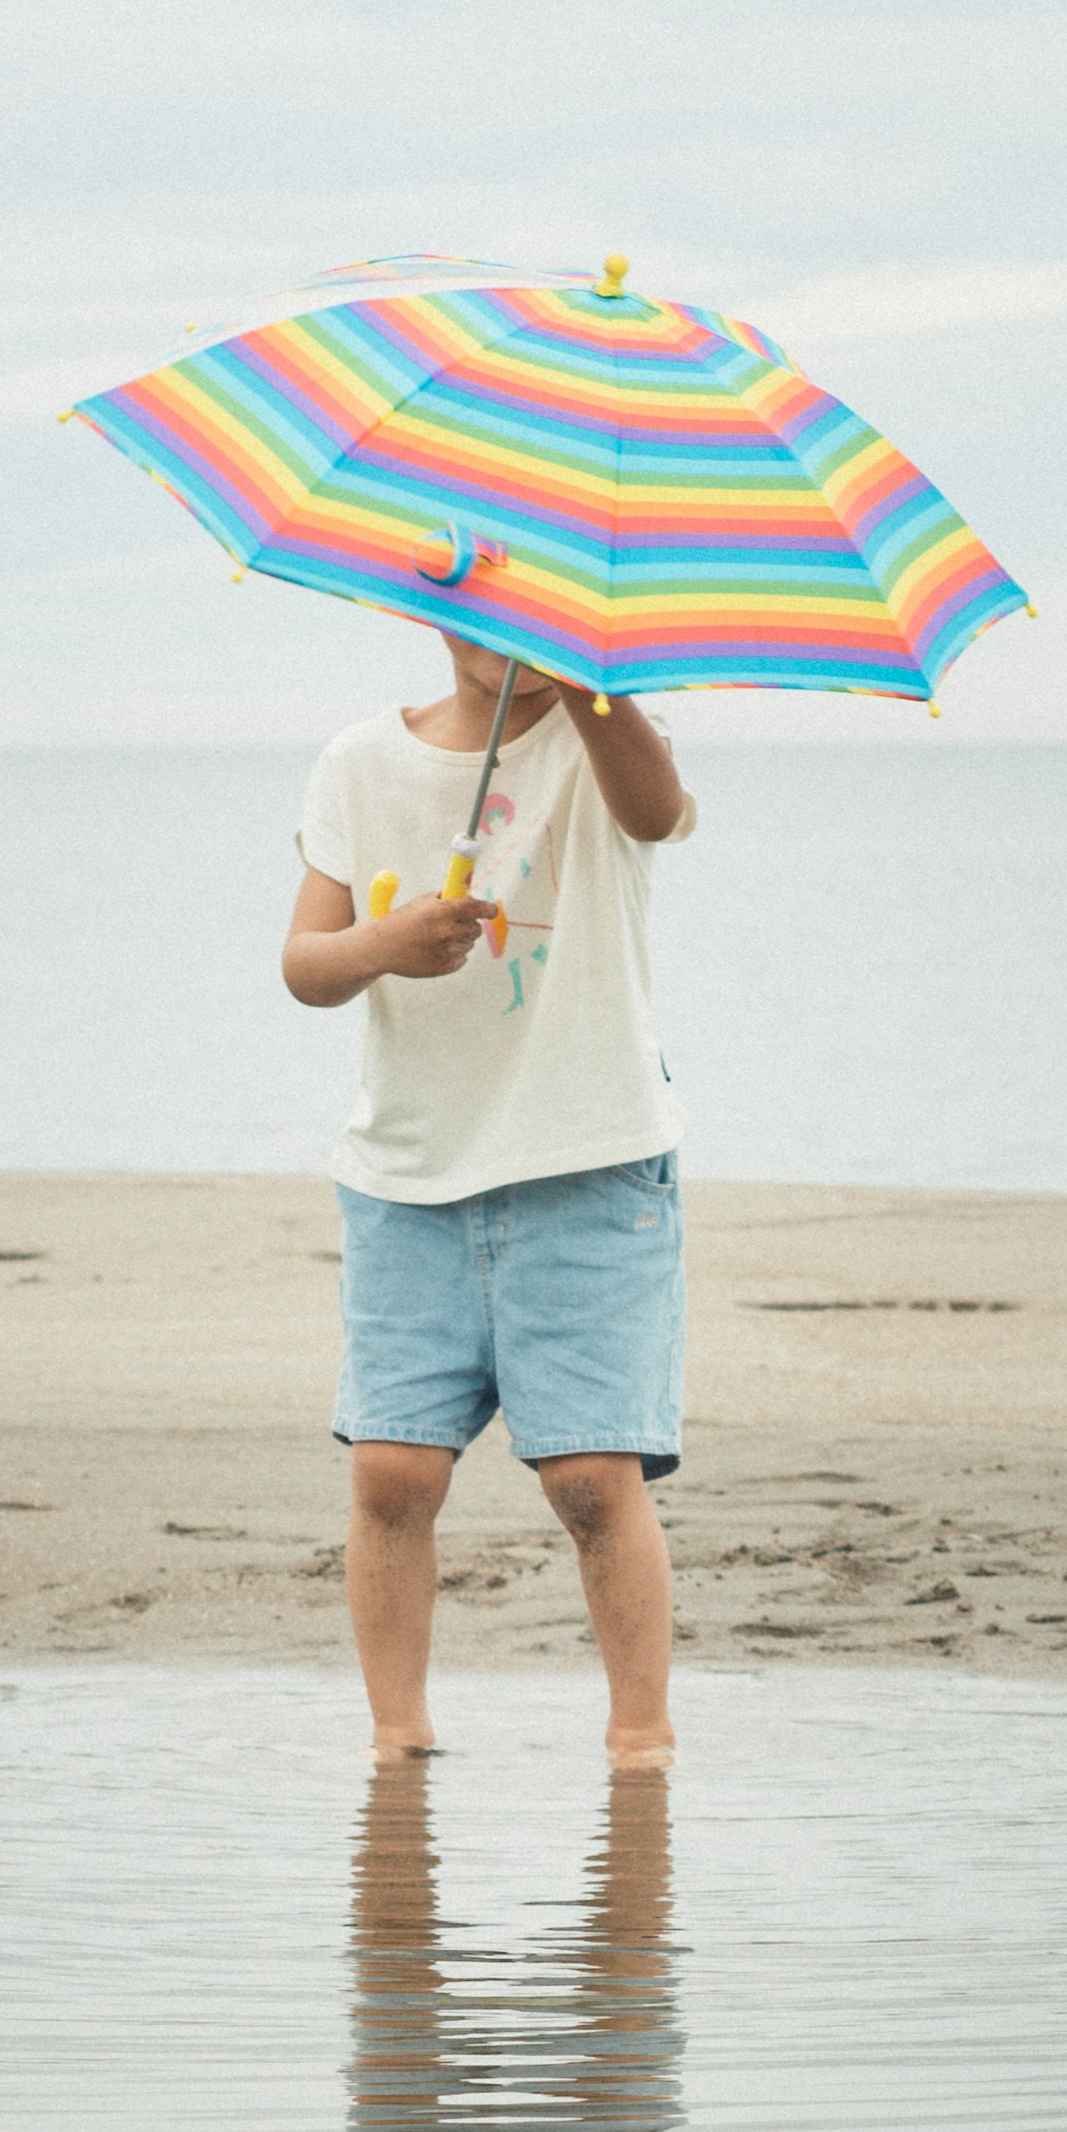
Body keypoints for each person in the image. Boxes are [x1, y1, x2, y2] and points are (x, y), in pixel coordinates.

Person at [281, 627, 695, 1768]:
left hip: (589, 1160)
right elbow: (305, 965)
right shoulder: (361, 762)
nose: (504, 635)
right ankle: (397, 1743)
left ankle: (640, 1746)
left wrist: (593, 686)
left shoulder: (605, 733)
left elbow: (655, 815)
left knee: (593, 1475)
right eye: (480, 599)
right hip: (410, 1171)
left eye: (539, 607)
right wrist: (384, 944)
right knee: (390, 1469)